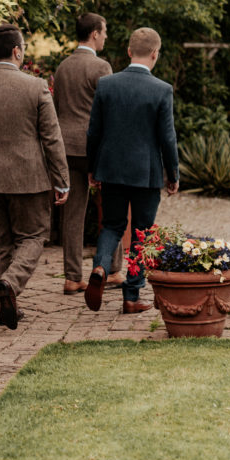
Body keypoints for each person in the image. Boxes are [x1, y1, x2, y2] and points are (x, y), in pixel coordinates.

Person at [0, 24, 70, 329]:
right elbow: (51, 138)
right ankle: (11, 282)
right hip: (28, 178)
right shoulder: (35, 86)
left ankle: (4, 308)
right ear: (17, 51)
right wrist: (62, 179)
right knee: (34, 235)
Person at [84, 27, 180, 314]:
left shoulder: (107, 85)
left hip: (111, 169)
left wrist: (93, 168)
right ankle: (131, 296)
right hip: (146, 174)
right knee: (142, 233)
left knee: (111, 226)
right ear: (155, 54)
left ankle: (100, 267)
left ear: (128, 52)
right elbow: (168, 138)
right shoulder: (162, 89)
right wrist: (172, 175)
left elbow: (93, 133)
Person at [52, 13, 122, 295]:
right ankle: (113, 269)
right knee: (111, 210)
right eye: (104, 32)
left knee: (72, 214)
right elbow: (111, 112)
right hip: (96, 148)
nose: (105, 36)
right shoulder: (100, 66)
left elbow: (57, 108)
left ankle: (72, 277)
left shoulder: (63, 66)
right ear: (94, 33)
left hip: (66, 148)